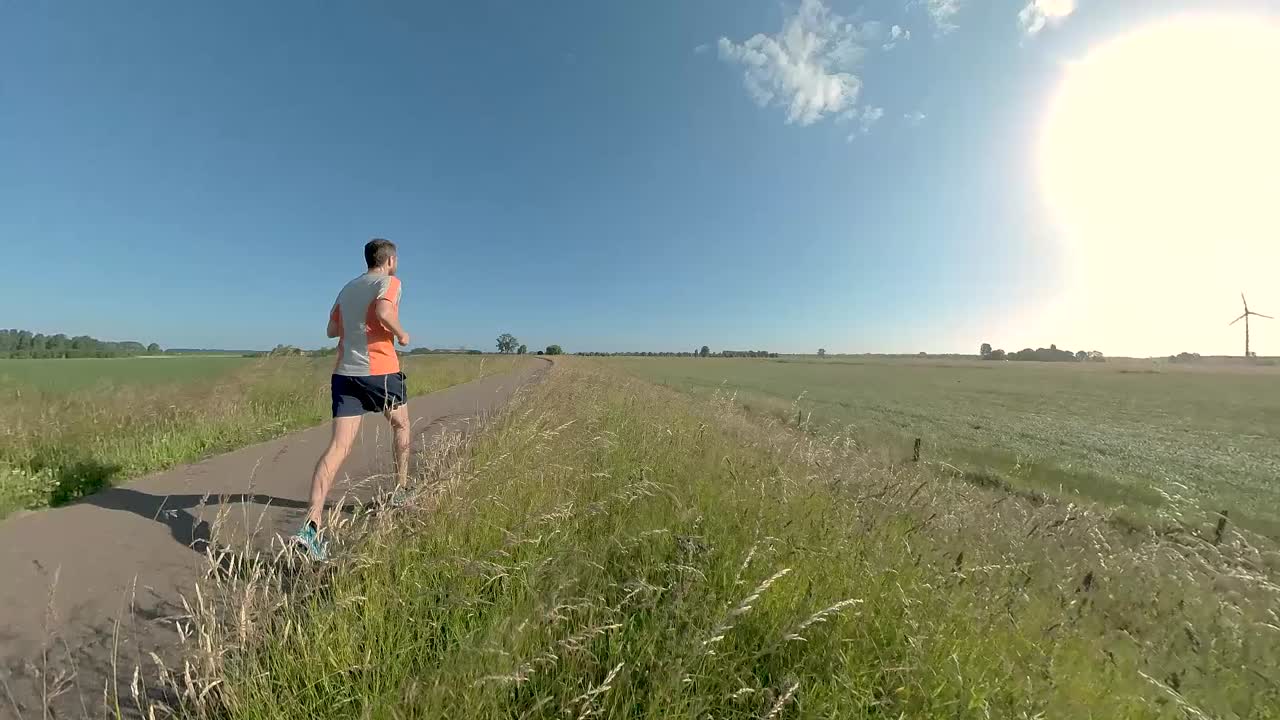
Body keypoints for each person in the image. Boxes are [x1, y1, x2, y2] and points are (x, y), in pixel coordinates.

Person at [294, 238, 411, 560]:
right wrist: (400, 333)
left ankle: (311, 526)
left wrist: (356, 325)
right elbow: (385, 310)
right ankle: (400, 489)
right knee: (401, 426)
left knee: (338, 448)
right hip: (380, 371)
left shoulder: (347, 289)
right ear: (390, 259)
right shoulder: (390, 281)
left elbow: (332, 330)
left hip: (345, 373)